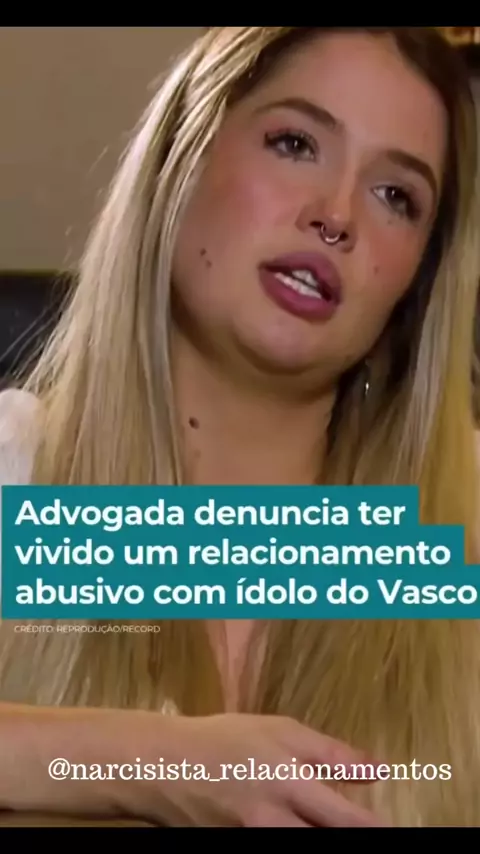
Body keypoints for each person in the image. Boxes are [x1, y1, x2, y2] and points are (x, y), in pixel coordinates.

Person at [0, 25, 478, 828]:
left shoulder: (456, 534)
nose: (336, 216)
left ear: (416, 288)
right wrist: (153, 764)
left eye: (396, 197)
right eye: (295, 144)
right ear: (179, 161)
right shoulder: (17, 474)